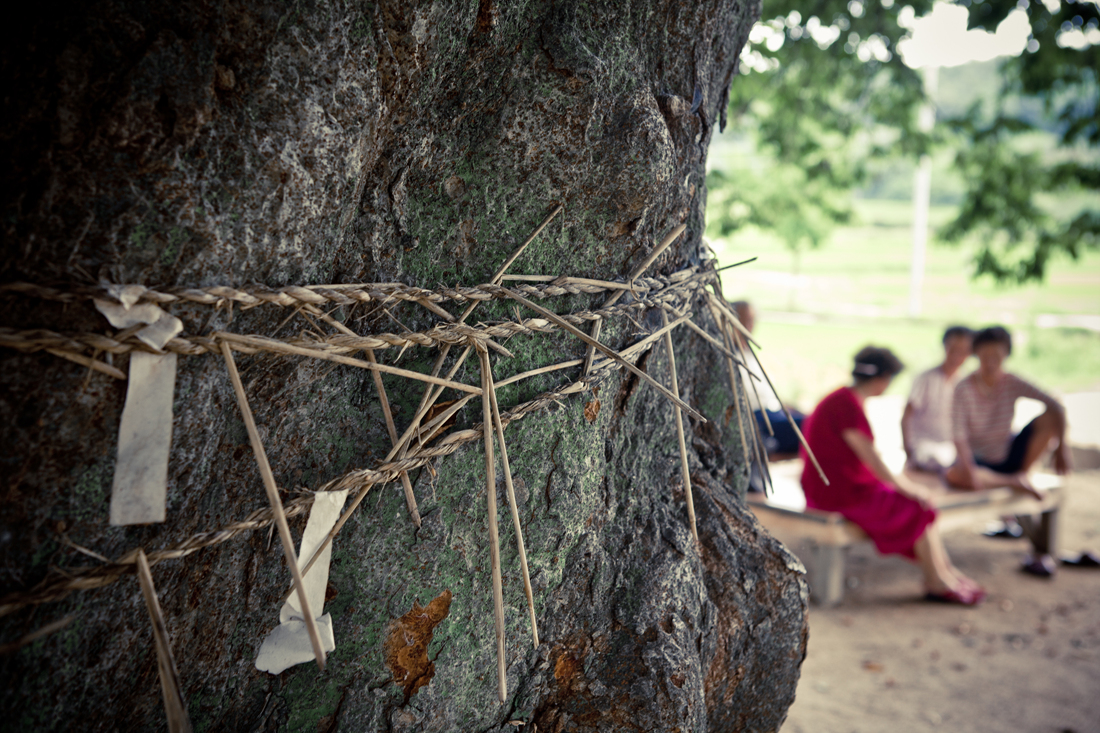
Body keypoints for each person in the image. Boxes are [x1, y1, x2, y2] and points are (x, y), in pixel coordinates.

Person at [801, 346, 985, 604]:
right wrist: (906, 486)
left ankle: (944, 574)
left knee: (919, 505)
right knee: (915, 504)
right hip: (837, 493)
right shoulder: (845, 405)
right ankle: (937, 580)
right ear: (882, 380)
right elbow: (872, 459)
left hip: (843, 485)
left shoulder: (844, 399)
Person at [945, 325, 1072, 575]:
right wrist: (969, 469)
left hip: (1009, 455)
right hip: (979, 460)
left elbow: (1056, 405)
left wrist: (1062, 449)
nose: (991, 362)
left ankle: (1021, 475)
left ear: (1006, 355)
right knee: (955, 474)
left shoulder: (1011, 382)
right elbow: (958, 436)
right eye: (985, 355)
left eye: (997, 355)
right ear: (976, 354)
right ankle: (1014, 481)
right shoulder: (963, 388)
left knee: (1048, 418)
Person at [731, 300, 805, 456]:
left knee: (814, 419)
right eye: (742, 320)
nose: (748, 325)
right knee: (811, 426)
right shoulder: (730, 355)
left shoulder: (749, 353)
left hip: (773, 411)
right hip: (758, 419)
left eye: (751, 320)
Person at [902, 326, 973, 472]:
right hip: (924, 446)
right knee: (936, 463)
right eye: (953, 349)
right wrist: (908, 452)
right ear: (945, 347)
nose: (957, 356)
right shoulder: (925, 378)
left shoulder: (966, 383)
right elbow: (906, 417)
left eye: (963, 351)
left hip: (952, 447)